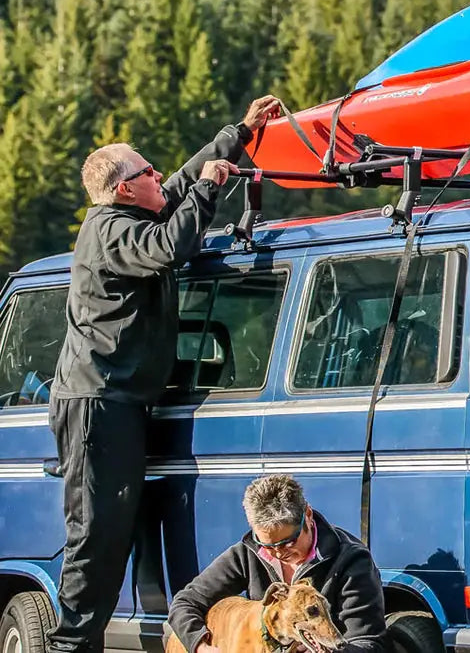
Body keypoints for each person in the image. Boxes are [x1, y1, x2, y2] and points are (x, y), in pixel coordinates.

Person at [46, 96, 281, 653]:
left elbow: (178, 185)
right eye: (147, 169)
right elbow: (170, 246)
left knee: (115, 532)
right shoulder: (111, 231)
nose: (160, 175)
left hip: (121, 402)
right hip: (97, 403)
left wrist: (240, 133)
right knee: (97, 538)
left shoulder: (134, 210)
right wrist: (207, 189)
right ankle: (68, 647)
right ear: (126, 188)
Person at [168, 475, 386, 653]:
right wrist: (200, 646)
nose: (278, 552)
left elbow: (368, 642)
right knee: (174, 633)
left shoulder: (353, 561)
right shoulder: (248, 552)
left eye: (288, 542)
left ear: (307, 516)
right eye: (269, 546)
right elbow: (185, 603)